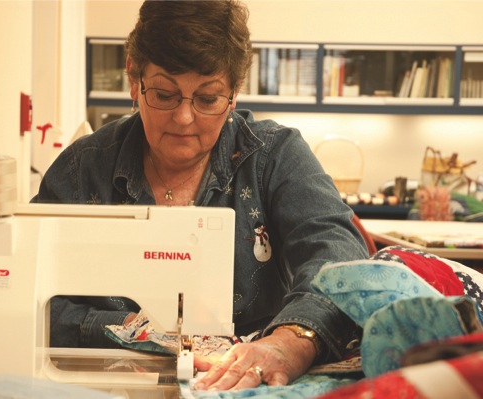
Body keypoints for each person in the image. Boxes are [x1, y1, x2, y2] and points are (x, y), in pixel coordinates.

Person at [31, 0, 369, 391]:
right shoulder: (82, 170)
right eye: (163, 94)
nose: (184, 118)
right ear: (133, 78)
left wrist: (291, 341)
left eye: (207, 99)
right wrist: (127, 334)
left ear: (235, 92)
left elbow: (338, 258)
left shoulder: (274, 157)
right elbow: (34, 297)